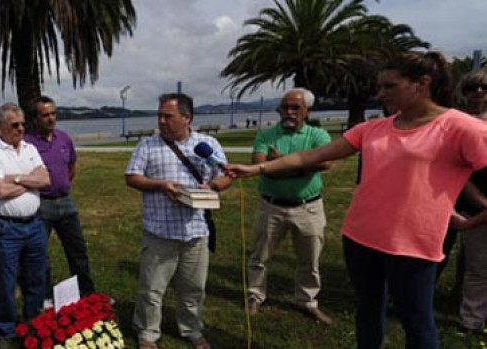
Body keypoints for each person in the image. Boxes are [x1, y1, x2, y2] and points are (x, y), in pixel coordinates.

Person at [225, 51, 487, 348]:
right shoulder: (373, 128)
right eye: (380, 86)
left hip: (413, 246)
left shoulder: (462, 127)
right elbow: (309, 156)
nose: (380, 94)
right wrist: (256, 168)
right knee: (367, 312)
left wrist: (473, 219)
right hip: (360, 239)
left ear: (422, 84)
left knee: (416, 321)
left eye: (390, 86)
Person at [126, 93, 232, 349]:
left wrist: (213, 186)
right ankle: (148, 333)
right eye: (159, 115)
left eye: (168, 116)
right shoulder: (147, 145)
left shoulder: (208, 144)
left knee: (194, 288)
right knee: (151, 289)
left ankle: (191, 329)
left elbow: (226, 174)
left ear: (187, 118)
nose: (161, 121)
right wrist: (161, 185)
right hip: (160, 232)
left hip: (196, 232)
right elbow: (132, 177)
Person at [245, 88, 333, 324]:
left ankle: (307, 301)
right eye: (285, 107)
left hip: (308, 208)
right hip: (271, 206)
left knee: (310, 259)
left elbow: (325, 163)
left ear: (307, 110)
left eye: (296, 107)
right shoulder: (266, 135)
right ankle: (255, 295)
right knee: (259, 257)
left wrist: (278, 163)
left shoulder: (319, 135)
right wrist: (304, 164)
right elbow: (260, 167)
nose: (289, 112)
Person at [0, 102, 50, 347]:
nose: (20, 128)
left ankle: (33, 322)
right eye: (14, 125)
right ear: (0, 127)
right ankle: (6, 329)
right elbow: (0, 191)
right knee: (6, 281)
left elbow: (46, 179)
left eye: (22, 124)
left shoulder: (30, 148)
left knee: (36, 277)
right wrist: (31, 180)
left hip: (34, 225)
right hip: (6, 228)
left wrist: (16, 178)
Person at [24, 96, 95, 304]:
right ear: (35, 119)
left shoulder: (64, 138)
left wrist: (63, 184)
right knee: (40, 254)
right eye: (45, 115)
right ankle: (45, 296)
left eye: (53, 114)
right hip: (41, 205)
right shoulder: (28, 144)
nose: (51, 118)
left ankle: (88, 293)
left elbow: (71, 166)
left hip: (66, 201)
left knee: (78, 251)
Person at [453, 69, 487, 337]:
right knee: (478, 268)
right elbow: (458, 171)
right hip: (475, 206)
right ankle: (471, 320)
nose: (479, 93)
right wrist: (482, 202)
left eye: (484, 88)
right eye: (472, 88)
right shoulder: (457, 123)